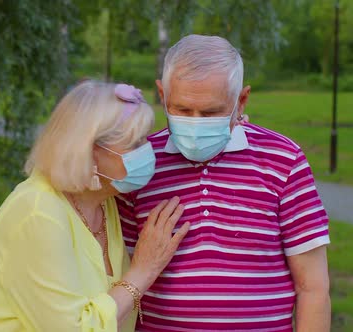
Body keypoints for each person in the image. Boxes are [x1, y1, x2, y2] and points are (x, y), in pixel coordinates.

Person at [117, 34, 331, 332]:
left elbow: (313, 287)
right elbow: (116, 278)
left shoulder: (284, 160)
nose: (195, 123)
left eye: (211, 112)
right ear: (162, 95)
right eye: (181, 110)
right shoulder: (140, 166)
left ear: (240, 101)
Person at [0, 81, 190, 331]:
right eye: (134, 144)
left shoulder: (104, 201)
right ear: (88, 151)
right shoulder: (37, 213)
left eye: (145, 139)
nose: (147, 152)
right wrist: (143, 271)